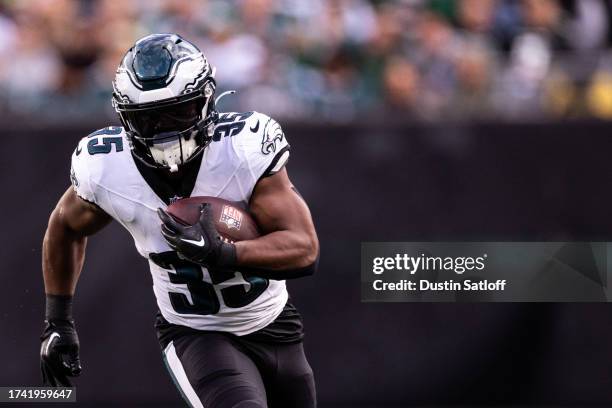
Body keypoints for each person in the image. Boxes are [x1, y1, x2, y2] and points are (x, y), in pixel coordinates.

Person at [40, 33, 319, 408]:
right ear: (125, 118)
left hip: (276, 325)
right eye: (148, 119)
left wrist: (224, 253)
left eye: (178, 112)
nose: (165, 131)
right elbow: (65, 226)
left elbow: (304, 249)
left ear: (206, 101)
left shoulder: (242, 149)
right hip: (195, 335)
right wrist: (58, 321)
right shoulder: (106, 167)